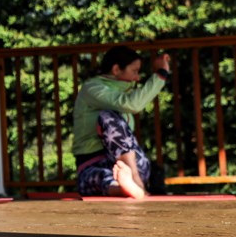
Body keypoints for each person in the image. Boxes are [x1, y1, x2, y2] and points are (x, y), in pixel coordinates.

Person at [72, 45, 171, 198]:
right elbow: (132, 104)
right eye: (135, 71)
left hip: (134, 169)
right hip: (93, 164)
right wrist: (161, 75)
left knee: (110, 117)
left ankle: (133, 183)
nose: (137, 78)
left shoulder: (126, 91)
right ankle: (128, 188)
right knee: (97, 178)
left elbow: (132, 102)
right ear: (116, 69)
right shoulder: (92, 88)